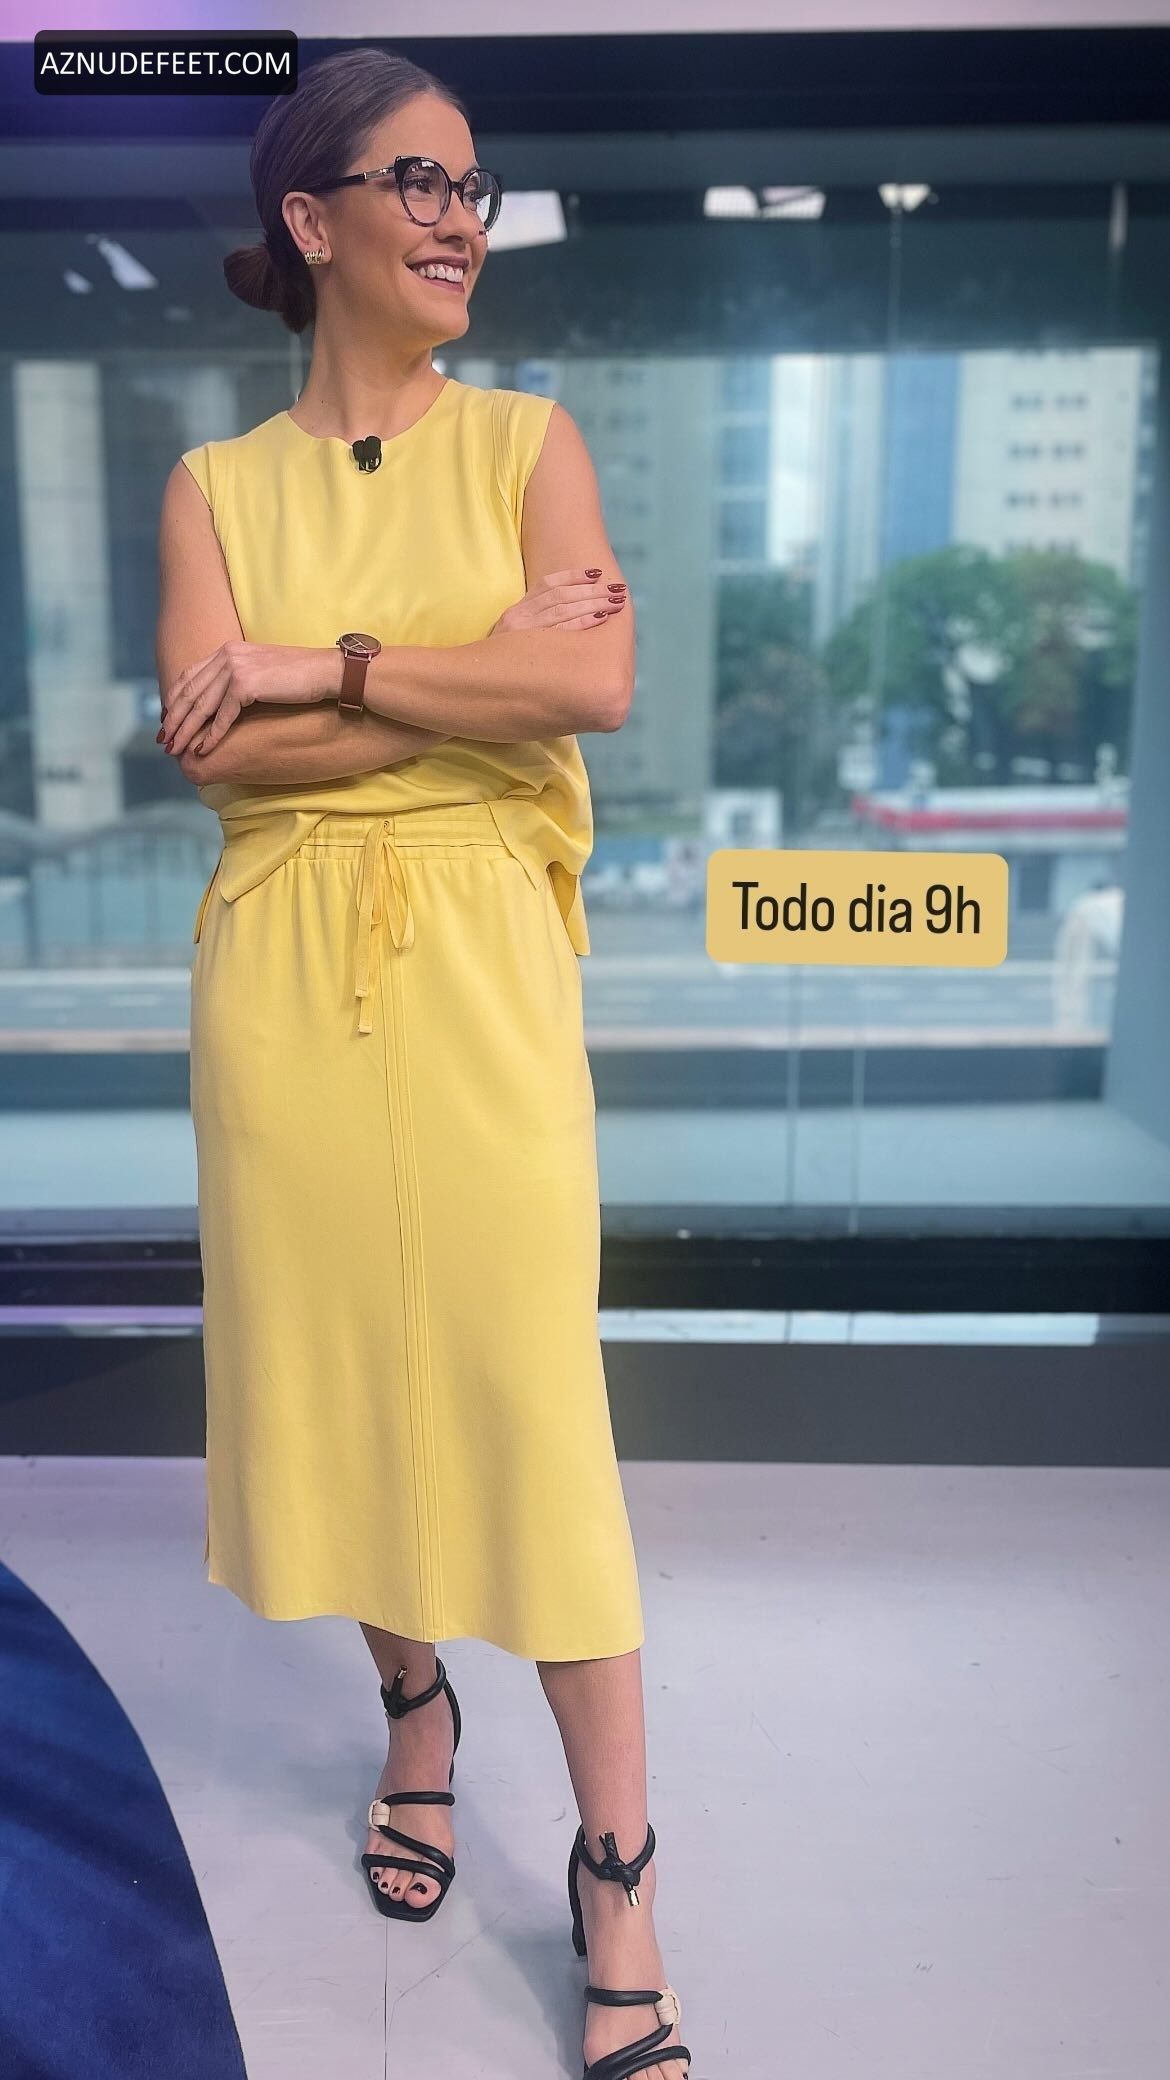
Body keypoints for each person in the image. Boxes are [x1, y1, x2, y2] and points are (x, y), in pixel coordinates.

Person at [154, 45, 690, 2080]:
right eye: (422, 182)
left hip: (478, 968)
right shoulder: (214, 488)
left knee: (528, 1401)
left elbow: (598, 681)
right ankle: (413, 1710)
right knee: (338, 1375)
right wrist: (480, 682)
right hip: (283, 975)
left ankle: (618, 1867)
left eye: (476, 185)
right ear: (314, 222)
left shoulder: (531, 442)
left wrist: (335, 664)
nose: (464, 218)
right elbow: (220, 759)